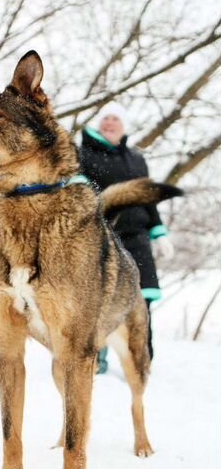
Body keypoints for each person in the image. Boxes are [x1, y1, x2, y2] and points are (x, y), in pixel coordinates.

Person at [80, 102, 174, 373]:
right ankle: (95, 357)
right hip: (100, 238)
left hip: (137, 240)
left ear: (124, 126)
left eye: (115, 119)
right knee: (98, 299)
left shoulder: (136, 159)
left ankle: (141, 359)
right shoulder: (83, 154)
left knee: (141, 300)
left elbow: (148, 197)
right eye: (105, 118)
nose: (109, 123)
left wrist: (159, 232)